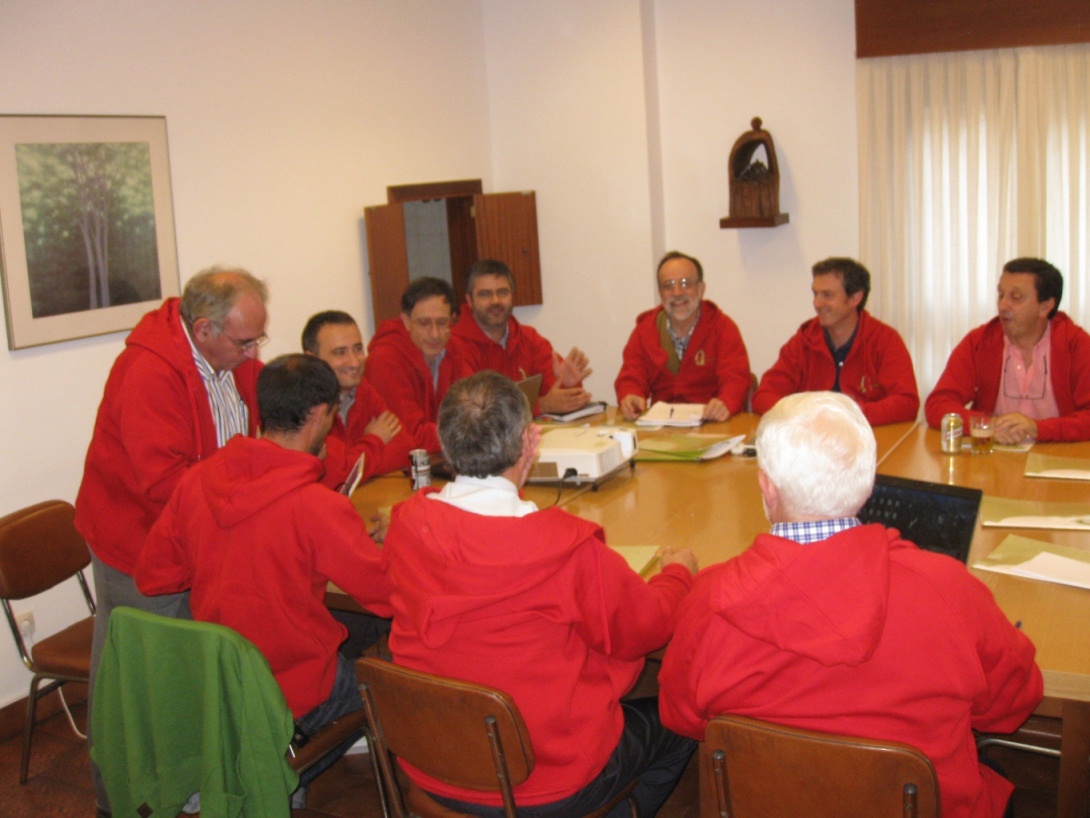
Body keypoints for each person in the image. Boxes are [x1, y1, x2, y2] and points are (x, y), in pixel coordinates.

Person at [658, 391, 1042, 818]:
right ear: (868, 482)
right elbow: (1013, 703)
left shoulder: (710, 601)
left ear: (766, 487)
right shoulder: (947, 590)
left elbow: (682, 717)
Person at [384, 371, 698, 818]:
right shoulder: (565, 548)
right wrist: (677, 577)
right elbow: (646, 627)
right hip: (546, 782)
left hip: (432, 764)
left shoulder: (406, 524)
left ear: (445, 444)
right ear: (531, 442)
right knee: (679, 714)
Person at [135, 354, 394, 805]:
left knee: (347, 630)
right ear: (318, 416)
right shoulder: (316, 506)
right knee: (388, 685)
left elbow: (156, 576)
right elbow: (389, 596)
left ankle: (240, 763)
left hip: (218, 682)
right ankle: (277, 773)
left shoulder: (196, 482)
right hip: (292, 688)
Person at [76, 265, 268, 815]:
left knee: (183, 672)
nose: (254, 352)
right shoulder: (148, 372)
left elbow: (256, 427)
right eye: (245, 340)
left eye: (258, 337)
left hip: (196, 538)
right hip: (136, 545)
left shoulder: (226, 357)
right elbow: (164, 484)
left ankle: (186, 784)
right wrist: (245, 498)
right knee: (133, 685)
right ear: (204, 329)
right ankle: (120, 798)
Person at [925, 257, 1090, 443]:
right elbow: (937, 405)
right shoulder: (980, 342)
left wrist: (1038, 428)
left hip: (1058, 457)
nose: (1003, 306)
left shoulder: (1077, 345)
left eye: (1016, 297)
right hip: (993, 456)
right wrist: (988, 426)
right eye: (1001, 295)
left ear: (1045, 306)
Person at [751, 257, 919, 425]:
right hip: (811, 439)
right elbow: (763, 396)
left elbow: (907, 403)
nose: (817, 303)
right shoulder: (804, 340)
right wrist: (803, 414)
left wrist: (849, 416)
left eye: (827, 295)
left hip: (870, 440)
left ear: (855, 298)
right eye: (815, 294)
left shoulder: (885, 340)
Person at [615, 251, 751, 422]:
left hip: (711, 424)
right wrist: (630, 395)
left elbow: (736, 378)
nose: (677, 292)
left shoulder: (722, 327)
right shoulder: (645, 331)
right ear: (660, 292)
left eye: (686, 283)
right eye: (668, 285)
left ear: (701, 289)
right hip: (662, 430)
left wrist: (726, 402)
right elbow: (631, 375)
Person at [453, 259, 592, 415]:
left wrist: (567, 385)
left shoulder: (529, 338)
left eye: (502, 292)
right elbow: (476, 413)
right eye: (485, 294)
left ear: (513, 295)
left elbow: (558, 399)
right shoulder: (454, 346)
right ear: (469, 300)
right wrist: (540, 406)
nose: (495, 301)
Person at [302, 310, 414, 485]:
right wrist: (374, 440)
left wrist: (353, 459)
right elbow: (337, 475)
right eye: (340, 352)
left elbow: (405, 448)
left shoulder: (363, 389)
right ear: (312, 360)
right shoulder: (306, 405)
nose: (354, 362)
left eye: (358, 348)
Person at [363, 277, 472, 453]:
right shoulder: (384, 359)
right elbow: (412, 436)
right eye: (424, 323)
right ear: (406, 321)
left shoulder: (454, 348)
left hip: (443, 454)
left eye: (442, 323)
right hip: (400, 468)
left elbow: (473, 405)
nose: (435, 334)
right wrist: (472, 433)